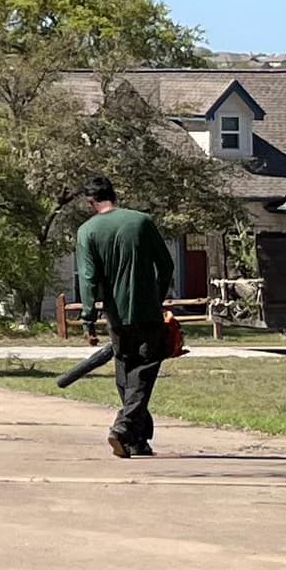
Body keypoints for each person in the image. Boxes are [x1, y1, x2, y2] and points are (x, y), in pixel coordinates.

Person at [72, 178, 182, 457]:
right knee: (143, 374)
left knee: (126, 373)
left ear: (90, 201)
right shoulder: (141, 222)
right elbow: (166, 265)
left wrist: (88, 318)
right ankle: (124, 429)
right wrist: (156, 298)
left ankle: (136, 440)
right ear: (113, 195)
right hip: (147, 312)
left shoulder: (87, 231)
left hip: (117, 317)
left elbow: (88, 278)